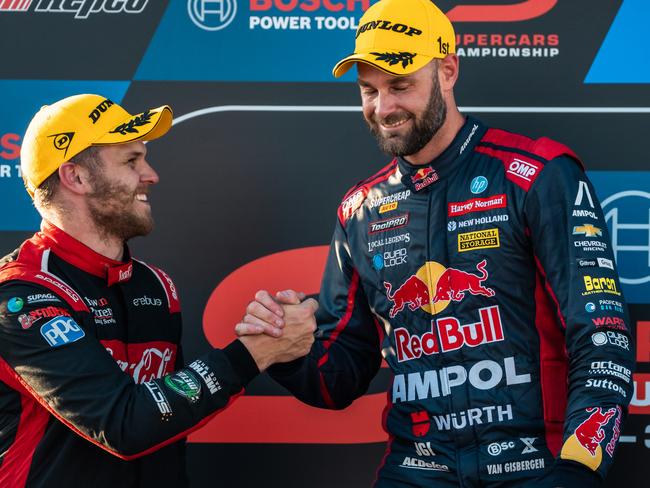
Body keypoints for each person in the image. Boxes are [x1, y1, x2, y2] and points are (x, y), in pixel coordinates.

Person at [236, 0, 635, 486]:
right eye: (369, 90)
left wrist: (581, 467)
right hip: (418, 466)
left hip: (536, 463)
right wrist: (289, 349)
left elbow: (603, 335)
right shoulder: (359, 210)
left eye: (401, 85)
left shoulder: (534, 175)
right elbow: (337, 379)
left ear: (447, 71)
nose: (383, 108)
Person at [0, 94, 317, 487]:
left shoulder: (156, 286)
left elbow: (166, 422)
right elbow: (122, 424)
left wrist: (266, 335)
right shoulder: (21, 294)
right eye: (131, 161)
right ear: (76, 177)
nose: (151, 174)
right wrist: (254, 353)